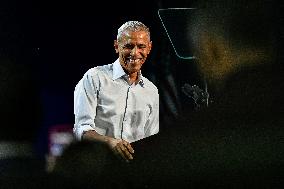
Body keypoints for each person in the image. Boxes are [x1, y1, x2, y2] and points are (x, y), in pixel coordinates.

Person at [74, 21, 159, 161]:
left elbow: (151, 139)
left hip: (135, 172)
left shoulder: (151, 90)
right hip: (98, 167)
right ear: (116, 46)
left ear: (149, 48)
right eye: (129, 46)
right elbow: (81, 130)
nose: (135, 53)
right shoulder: (94, 78)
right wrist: (110, 142)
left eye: (141, 46)